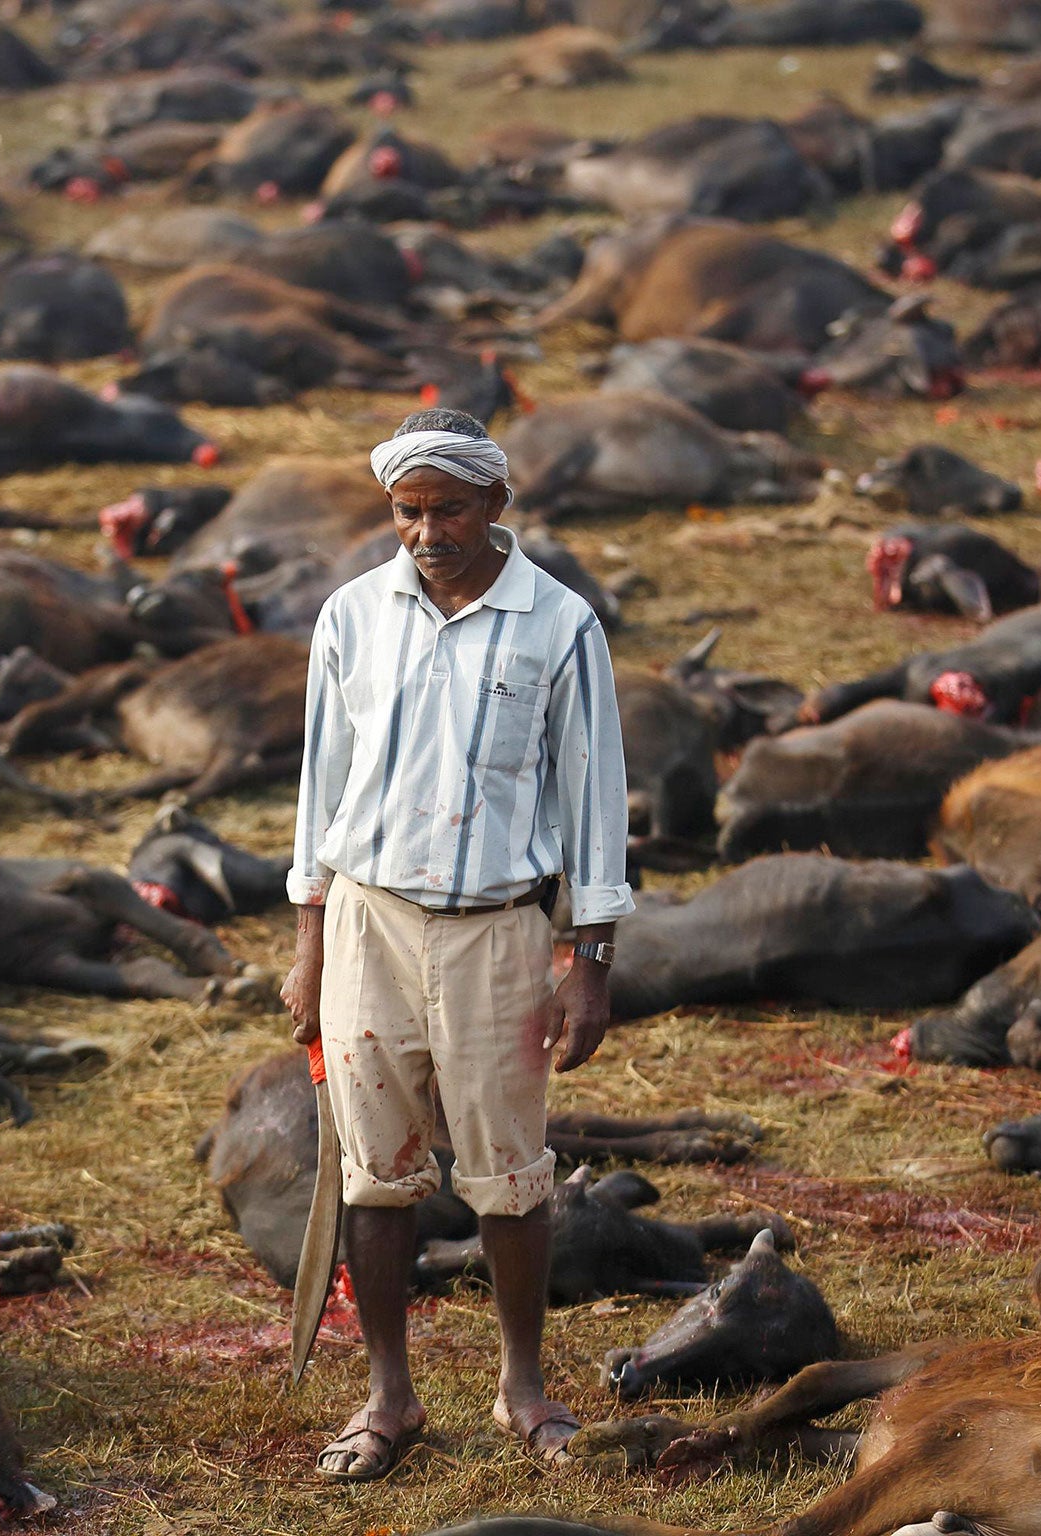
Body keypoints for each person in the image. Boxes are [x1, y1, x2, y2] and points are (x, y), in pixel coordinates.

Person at [281, 407, 634, 1481]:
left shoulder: (558, 625)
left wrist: (591, 963)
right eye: (404, 511)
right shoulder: (351, 615)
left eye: (444, 510)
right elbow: (317, 791)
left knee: (508, 1172)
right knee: (375, 1170)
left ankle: (521, 1389)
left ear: (494, 506)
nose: (423, 532)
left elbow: (594, 800)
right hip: (369, 920)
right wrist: (307, 946)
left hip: (499, 929)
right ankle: (388, 1396)